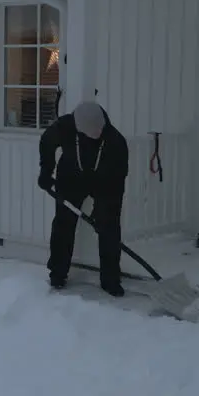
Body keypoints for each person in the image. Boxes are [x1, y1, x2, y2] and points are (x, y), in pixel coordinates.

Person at [37, 100, 129, 296]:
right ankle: (58, 273)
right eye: (90, 133)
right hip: (71, 176)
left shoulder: (116, 143)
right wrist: (46, 172)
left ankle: (110, 279)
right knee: (63, 224)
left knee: (109, 227)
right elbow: (47, 141)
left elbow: (116, 184)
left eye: (98, 132)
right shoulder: (66, 126)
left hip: (105, 181)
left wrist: (102, 212)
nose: (95, 135)